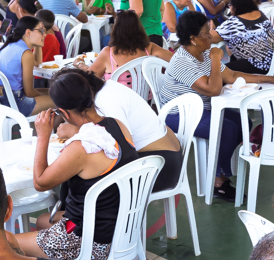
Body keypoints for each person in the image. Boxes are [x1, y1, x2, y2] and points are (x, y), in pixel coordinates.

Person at [11, 72, 140, 260]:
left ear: (63, 113)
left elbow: (40, 182)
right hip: (120, 227)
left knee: (8, 242)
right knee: (42, 221)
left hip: (86, 239)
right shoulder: (118, 125)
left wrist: (43, 136)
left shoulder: (81, 148)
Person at [160, 11, 274, 201]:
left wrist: (270, 79)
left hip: (202, 109)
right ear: (193, 39)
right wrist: (216, 58)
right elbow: (213, 89)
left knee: (244, 122)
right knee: (226, 130)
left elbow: (230, 76)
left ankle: (221, 167)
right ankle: (218, 181)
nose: (211, 36)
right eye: (207, 33)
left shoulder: (203, 52)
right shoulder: (183, 60)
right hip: (178, 115)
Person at [54, 69, 183, 193]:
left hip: (161, 166)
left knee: (82, 172)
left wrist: (75, 132)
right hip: (160, 157)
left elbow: (118, 148)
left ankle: (75, 214)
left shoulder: (105, 101)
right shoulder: (107, 88)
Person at [79, 10, 173, 85]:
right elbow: (177, 60)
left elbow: (90, 79)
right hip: (144, 103)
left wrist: (81, 65)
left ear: (116, 29)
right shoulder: (150, 48)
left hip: (116, 105)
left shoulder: (108, 53)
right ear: (139, 28)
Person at [0, 15, 55, 116]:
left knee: (53, 91)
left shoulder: (13, 45)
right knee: (62, 99)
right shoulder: (26, 54)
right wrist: (44, 95)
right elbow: (29, 92)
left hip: (1, 99)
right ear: (28, 33)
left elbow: (37, 62)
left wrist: (38, 45)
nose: (45, 34)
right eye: (41, 31)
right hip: (14, 103)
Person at [209, 0, 274, 74]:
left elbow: (210, 38)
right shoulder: (260, 14)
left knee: (219, 72)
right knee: (231, 45)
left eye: (230, 5)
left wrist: (209, 28)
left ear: (235, 7)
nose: (230, 8)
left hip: (261, 66)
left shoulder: (235, 23)